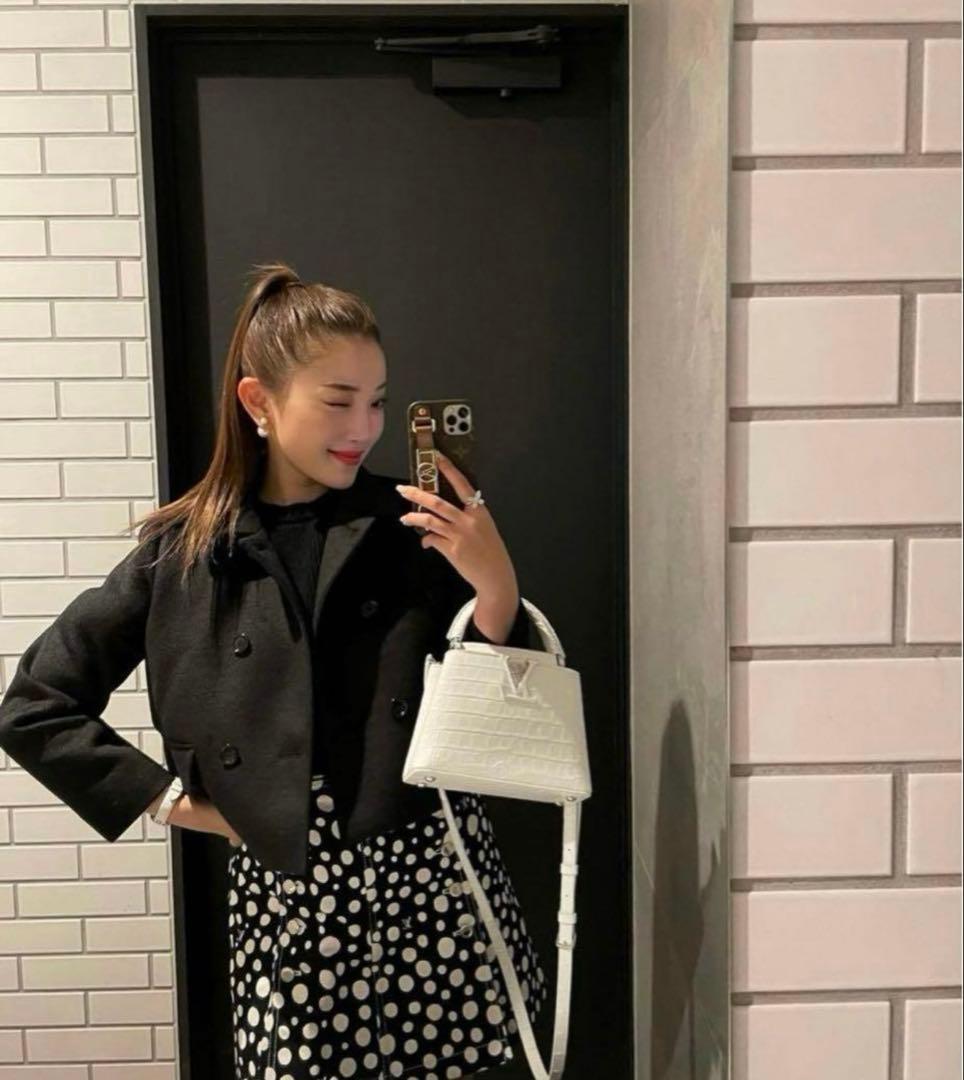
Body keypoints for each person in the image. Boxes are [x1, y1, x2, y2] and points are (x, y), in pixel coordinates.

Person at [0, 261, 549, 1079]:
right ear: (259, 402)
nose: (363, 427)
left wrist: (496, 585)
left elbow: (499, 714)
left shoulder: (413, 523)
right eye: (337, 401)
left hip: (431, 875)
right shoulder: (183, 551)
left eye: (377, 401)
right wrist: (175, 804)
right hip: (290, 894)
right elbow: (35, 706)